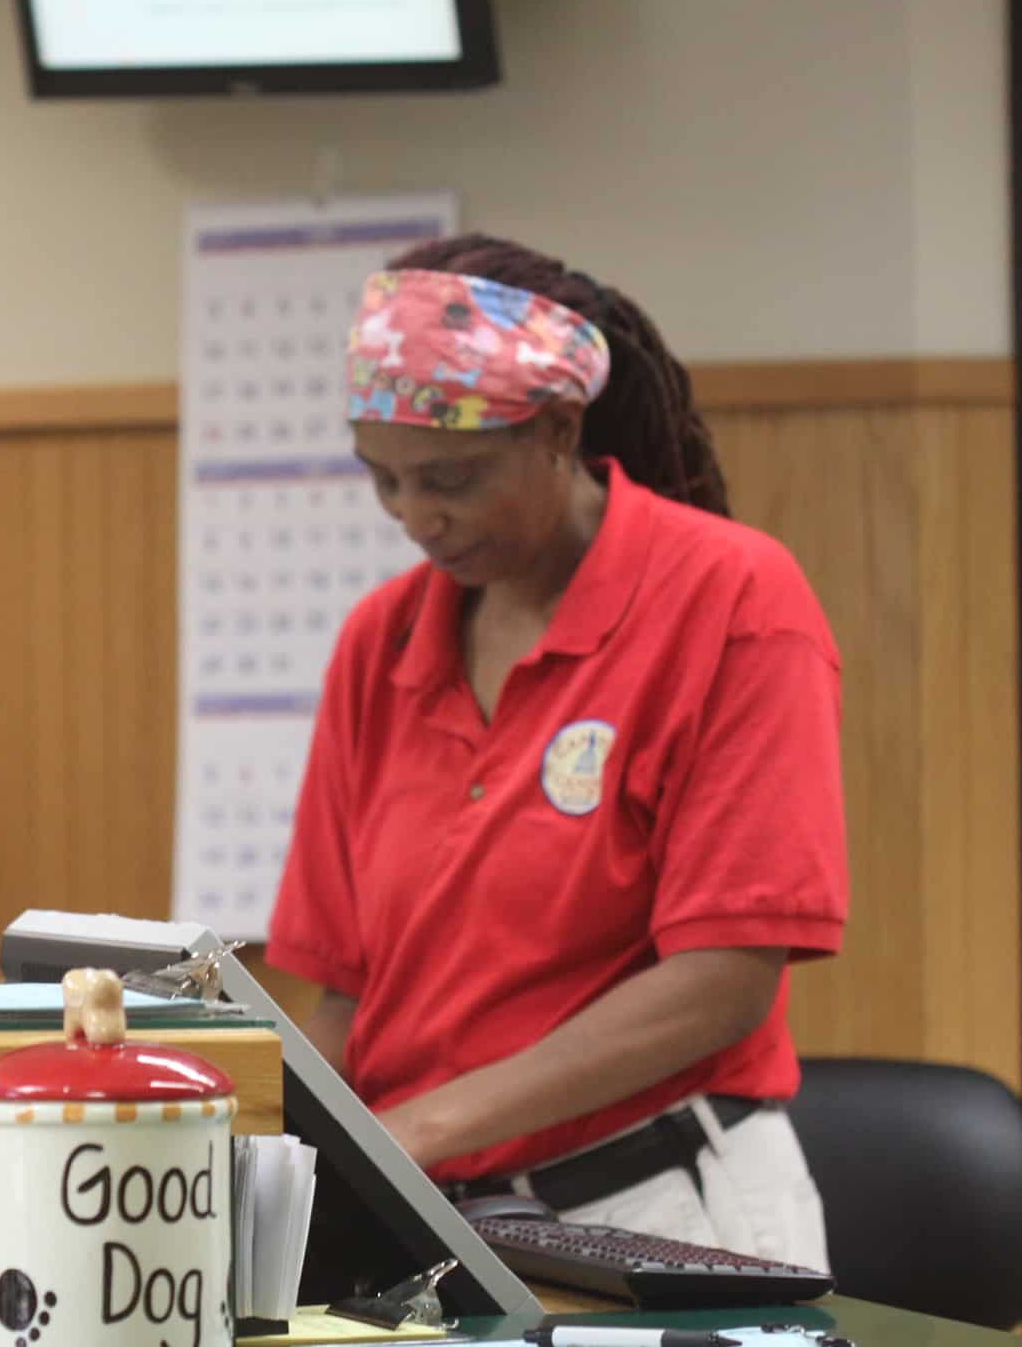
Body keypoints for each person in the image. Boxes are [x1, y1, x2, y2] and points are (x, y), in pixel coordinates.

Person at [264, 234, 849, 1270]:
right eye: (382, 482)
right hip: (425, 1216)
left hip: (659, 1208)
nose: (414, 518)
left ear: (558, 429)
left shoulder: (732, 600)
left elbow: (722, 980)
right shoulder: (383, 639)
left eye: (449, 478)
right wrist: (269, 1154)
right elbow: (343, 995)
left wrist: (411, 1135)